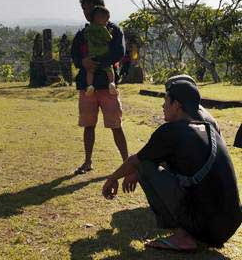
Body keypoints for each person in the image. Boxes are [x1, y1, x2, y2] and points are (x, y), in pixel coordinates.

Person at [101, 79, 242, 252]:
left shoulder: (171, 130)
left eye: (166, 100)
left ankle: (183, 237)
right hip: (229, 225)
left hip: (207, 228)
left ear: (177, 105)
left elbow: (135, 161)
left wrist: (112, 178)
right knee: (144, 166)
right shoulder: (208, 128)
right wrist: (135, 172)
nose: (162, 105)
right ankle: (191, 232)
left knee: (144, 166)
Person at [71, 0, 128, 175]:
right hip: (88, 87)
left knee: (116, 125)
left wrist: (97, 63)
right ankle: (87, 161)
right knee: (89, 125)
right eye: (84, 9)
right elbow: (75, 56)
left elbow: (118, 52)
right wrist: (83, 63)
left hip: (107, 85)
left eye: (89, 8)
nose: (86, 12)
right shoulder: (83, 33)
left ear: (99, 8)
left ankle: (127, 163)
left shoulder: (113, 30)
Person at [84, 6, 117, 96]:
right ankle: (111, 83)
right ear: (99, 18)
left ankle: (90, 85)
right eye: (106, 20)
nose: (106, 22)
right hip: (104, 54)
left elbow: (85, 37)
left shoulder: (89, 29)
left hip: (92, 55)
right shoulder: (103, 29)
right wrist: (109, 31)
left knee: (90, 71)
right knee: (109, 70)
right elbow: (109, 38)